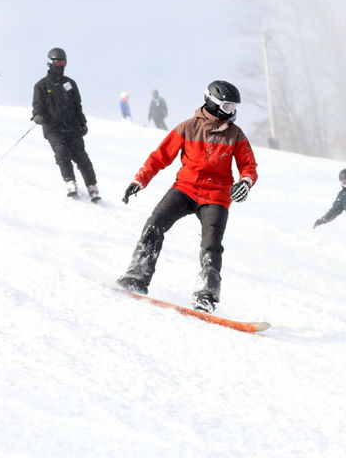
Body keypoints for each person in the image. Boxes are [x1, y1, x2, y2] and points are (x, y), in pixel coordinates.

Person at [117, 80, 258, 314]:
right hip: (185, 189)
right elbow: (159, 157)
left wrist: (245, 181)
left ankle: (206, 295)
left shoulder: (236, 134)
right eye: (227, 107)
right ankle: (136, 277)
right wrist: (139, 180)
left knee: (211, 245)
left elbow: (248, 165)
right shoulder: (187, 128)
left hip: (217, 195)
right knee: (154, 225)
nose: (231, 113)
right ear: (211, 103)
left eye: (234, 108)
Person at [31, 47, 101, 201]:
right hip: (53, 128)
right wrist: (37, 116)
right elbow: (37, 106)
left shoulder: (70, 84)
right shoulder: (41, 86)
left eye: (64, 62)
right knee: (62, 152)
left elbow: (77, 106)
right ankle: (70, 181)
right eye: (59, 62)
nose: (62, 66)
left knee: (81, 156)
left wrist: (82, 123)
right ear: (51, 63)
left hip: (71, 126)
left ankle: (92, 186)